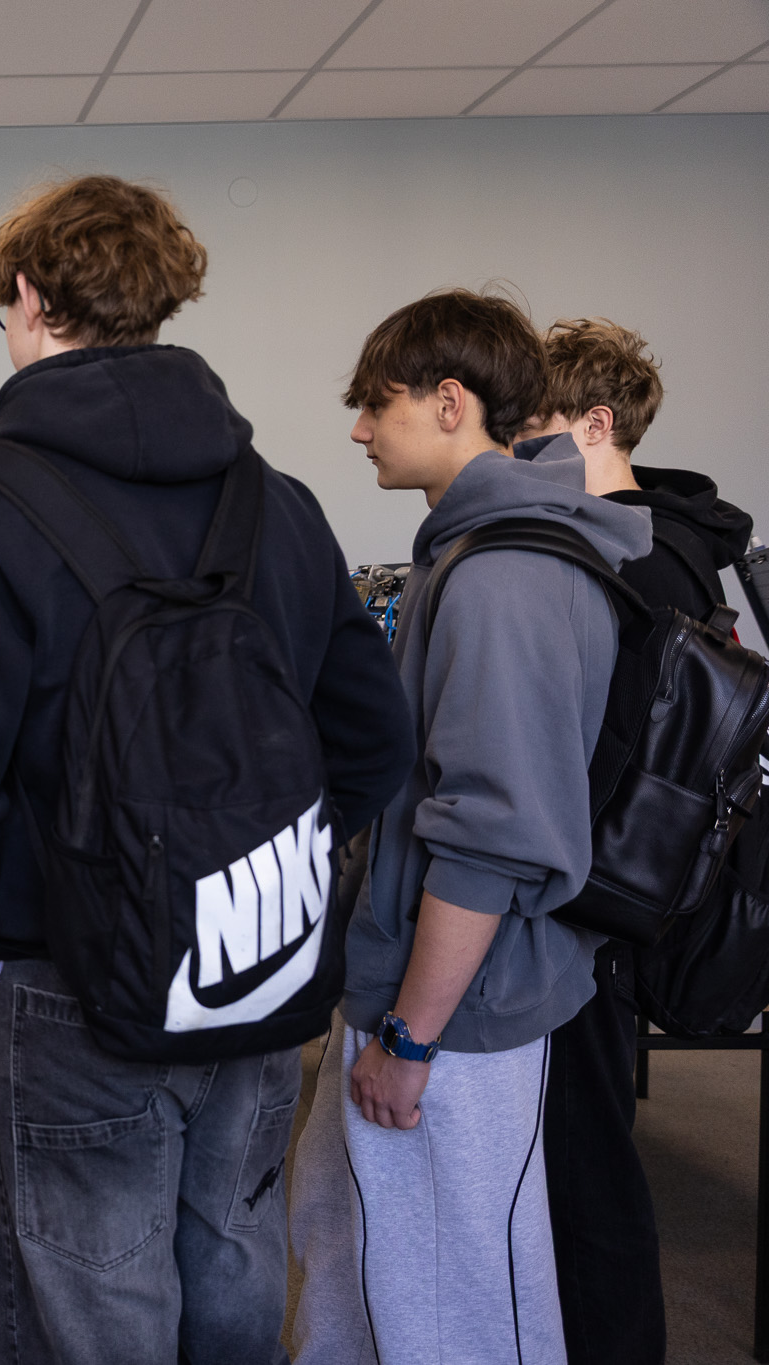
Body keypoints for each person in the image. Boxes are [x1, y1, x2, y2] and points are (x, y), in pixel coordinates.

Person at [0, 175, 412, 1365]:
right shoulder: (276, 503)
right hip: (254, 957)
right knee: (230, 1252)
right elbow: (374, 736)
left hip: (59, 967)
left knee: (83, 1293)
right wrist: (253, 861)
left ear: (28, 296)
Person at [289, 291, 654, 1365]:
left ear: (449, 402)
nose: (360, 430)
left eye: (377, 403)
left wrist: (411, 1038)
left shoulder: (504, 576)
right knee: (359, 1254)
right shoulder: (472, 553)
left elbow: (493, 836)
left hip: (456, 1012)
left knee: (448, 1301)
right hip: (423, 989)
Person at [518, 318, 752, 1365]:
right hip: (615, 895)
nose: (515, 447)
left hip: (599, 905)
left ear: (595, 423)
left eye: (531, 425)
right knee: (581, 1157)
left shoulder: (634, 561)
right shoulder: (667, 544)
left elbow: (616, 755)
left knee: (584, 1170)